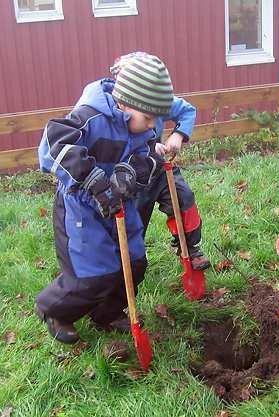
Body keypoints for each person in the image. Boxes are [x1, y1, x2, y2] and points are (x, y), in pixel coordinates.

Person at [35, 54, 175, 343]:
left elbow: (149, 158)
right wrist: (93, 179)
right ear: (126, 103)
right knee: (92, 275)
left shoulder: (142, 127)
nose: (152, 126)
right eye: (148, 118)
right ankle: (54, 310)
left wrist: (129, 173)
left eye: (156, 120)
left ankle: (108, 313)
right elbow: (53, 147)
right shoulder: (91, 116)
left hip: (120, 205)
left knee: (133, 264)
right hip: (81, 208)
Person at [110, 52, 210, 271]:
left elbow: (187, 111)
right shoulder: (113, 113)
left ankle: (189, 248)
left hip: (161, 171)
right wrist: (145, 147)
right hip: (134, 181)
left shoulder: (156, 100)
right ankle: (128, 264)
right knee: (133, 224)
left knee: (184, 199)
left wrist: (178, 135)